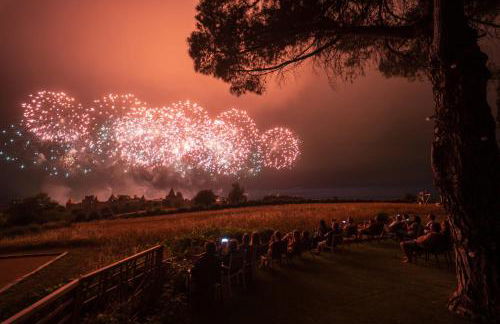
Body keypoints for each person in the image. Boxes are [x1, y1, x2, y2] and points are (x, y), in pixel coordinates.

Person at [191, 241, 221, 309]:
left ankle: (195, 300)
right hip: (215, 279)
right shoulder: (217, 259)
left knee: (192, 276)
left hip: (205, 281)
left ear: (206, 249)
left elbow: (195, 268)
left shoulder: (202, 260)